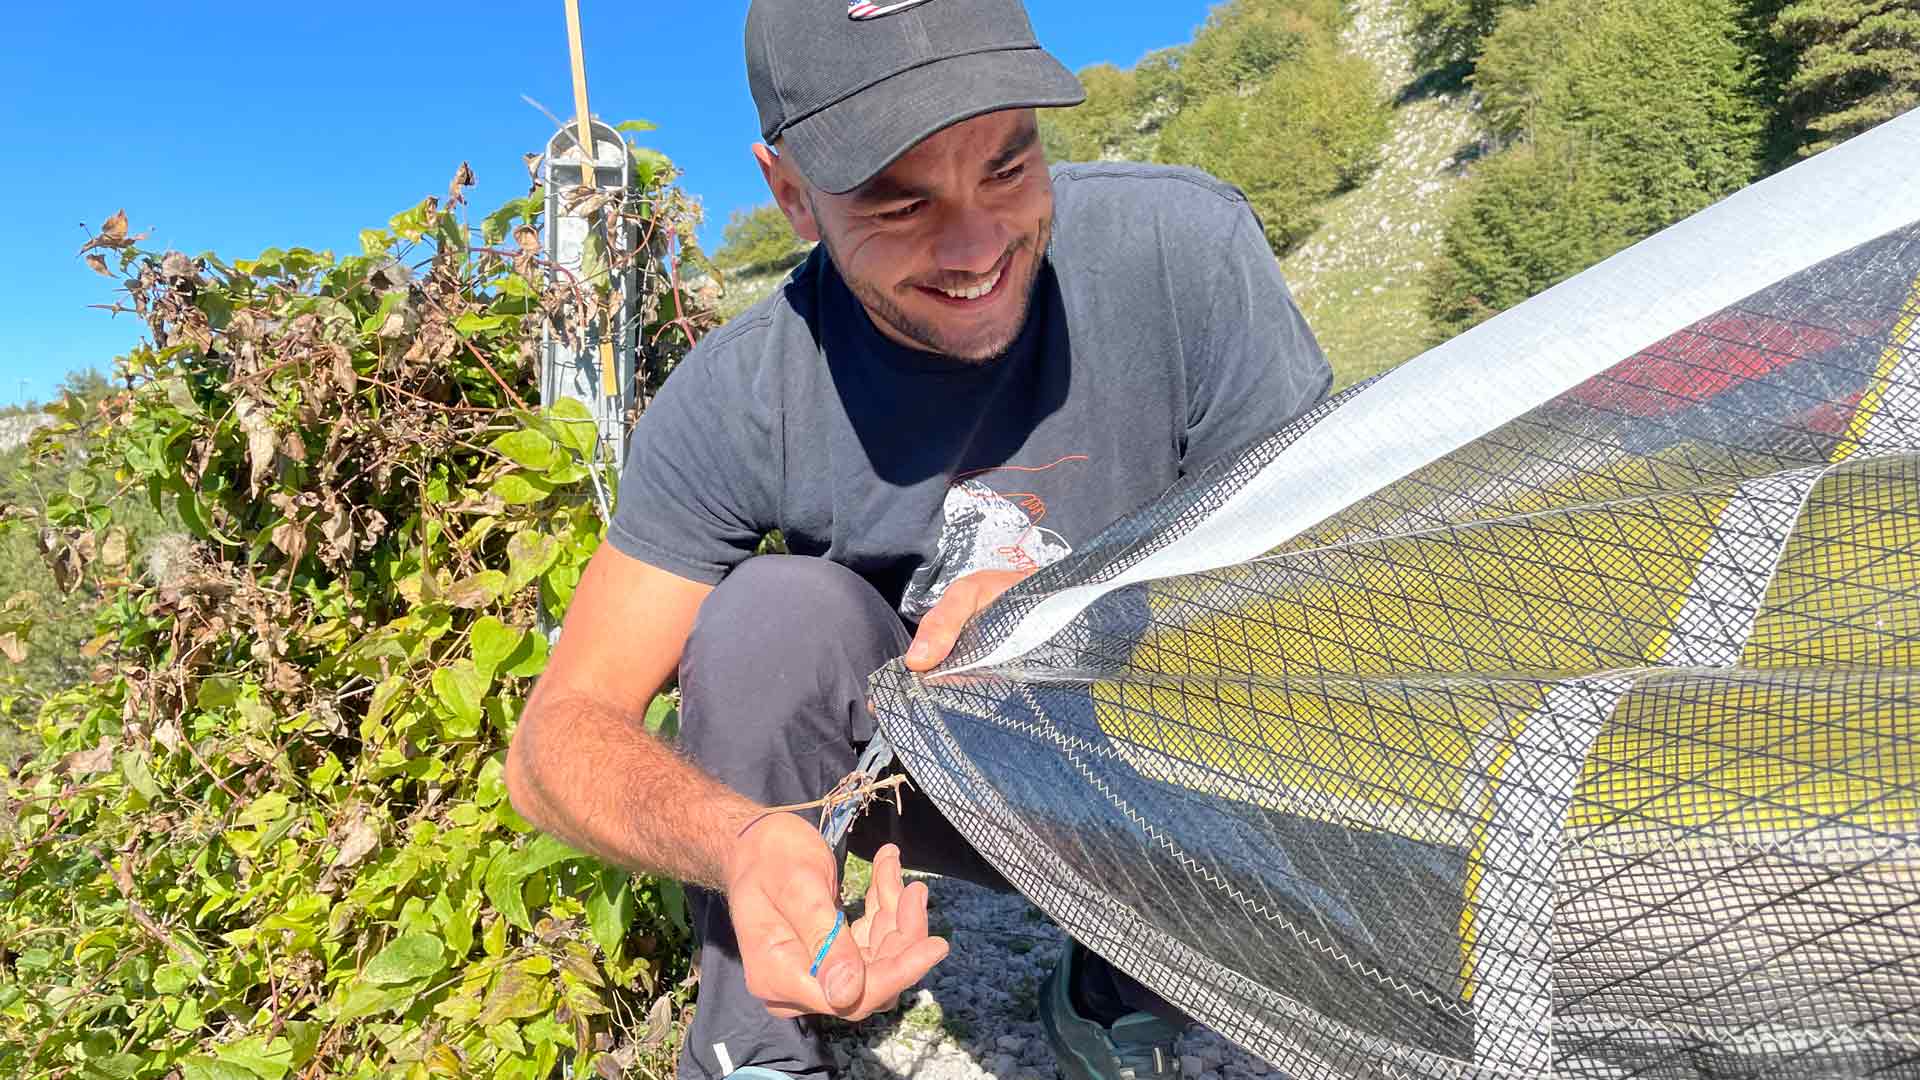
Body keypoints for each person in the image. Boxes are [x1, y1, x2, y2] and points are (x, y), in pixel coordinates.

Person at [503, 0, 1332, 1077]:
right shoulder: (744, 392)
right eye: (900, 202)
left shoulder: (1186, 253)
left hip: (1179, 753)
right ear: (791, 195)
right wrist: (737, 842)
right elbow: (552, 744)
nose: (978, 245)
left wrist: (1089, 612)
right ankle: (758, 1043)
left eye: (1007, 165)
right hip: (948, 781)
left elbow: (1328, 587)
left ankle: (1119, 983)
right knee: (772, 612)